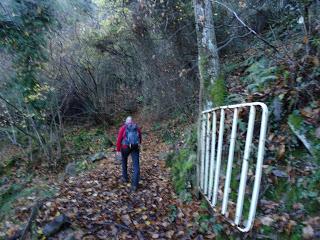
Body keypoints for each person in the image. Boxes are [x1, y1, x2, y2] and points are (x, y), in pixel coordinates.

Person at [116, 116, 142, 191]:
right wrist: (138, 144)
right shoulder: (136, 127)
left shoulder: (123, 128)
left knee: (124, 161)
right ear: (132, 121)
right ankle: (134, 185)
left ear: (126, 122)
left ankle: (125, 178)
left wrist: (118, 150)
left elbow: (119, 139)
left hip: (125, 147)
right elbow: (140, 137)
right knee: (136, 165)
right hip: (135, 147)